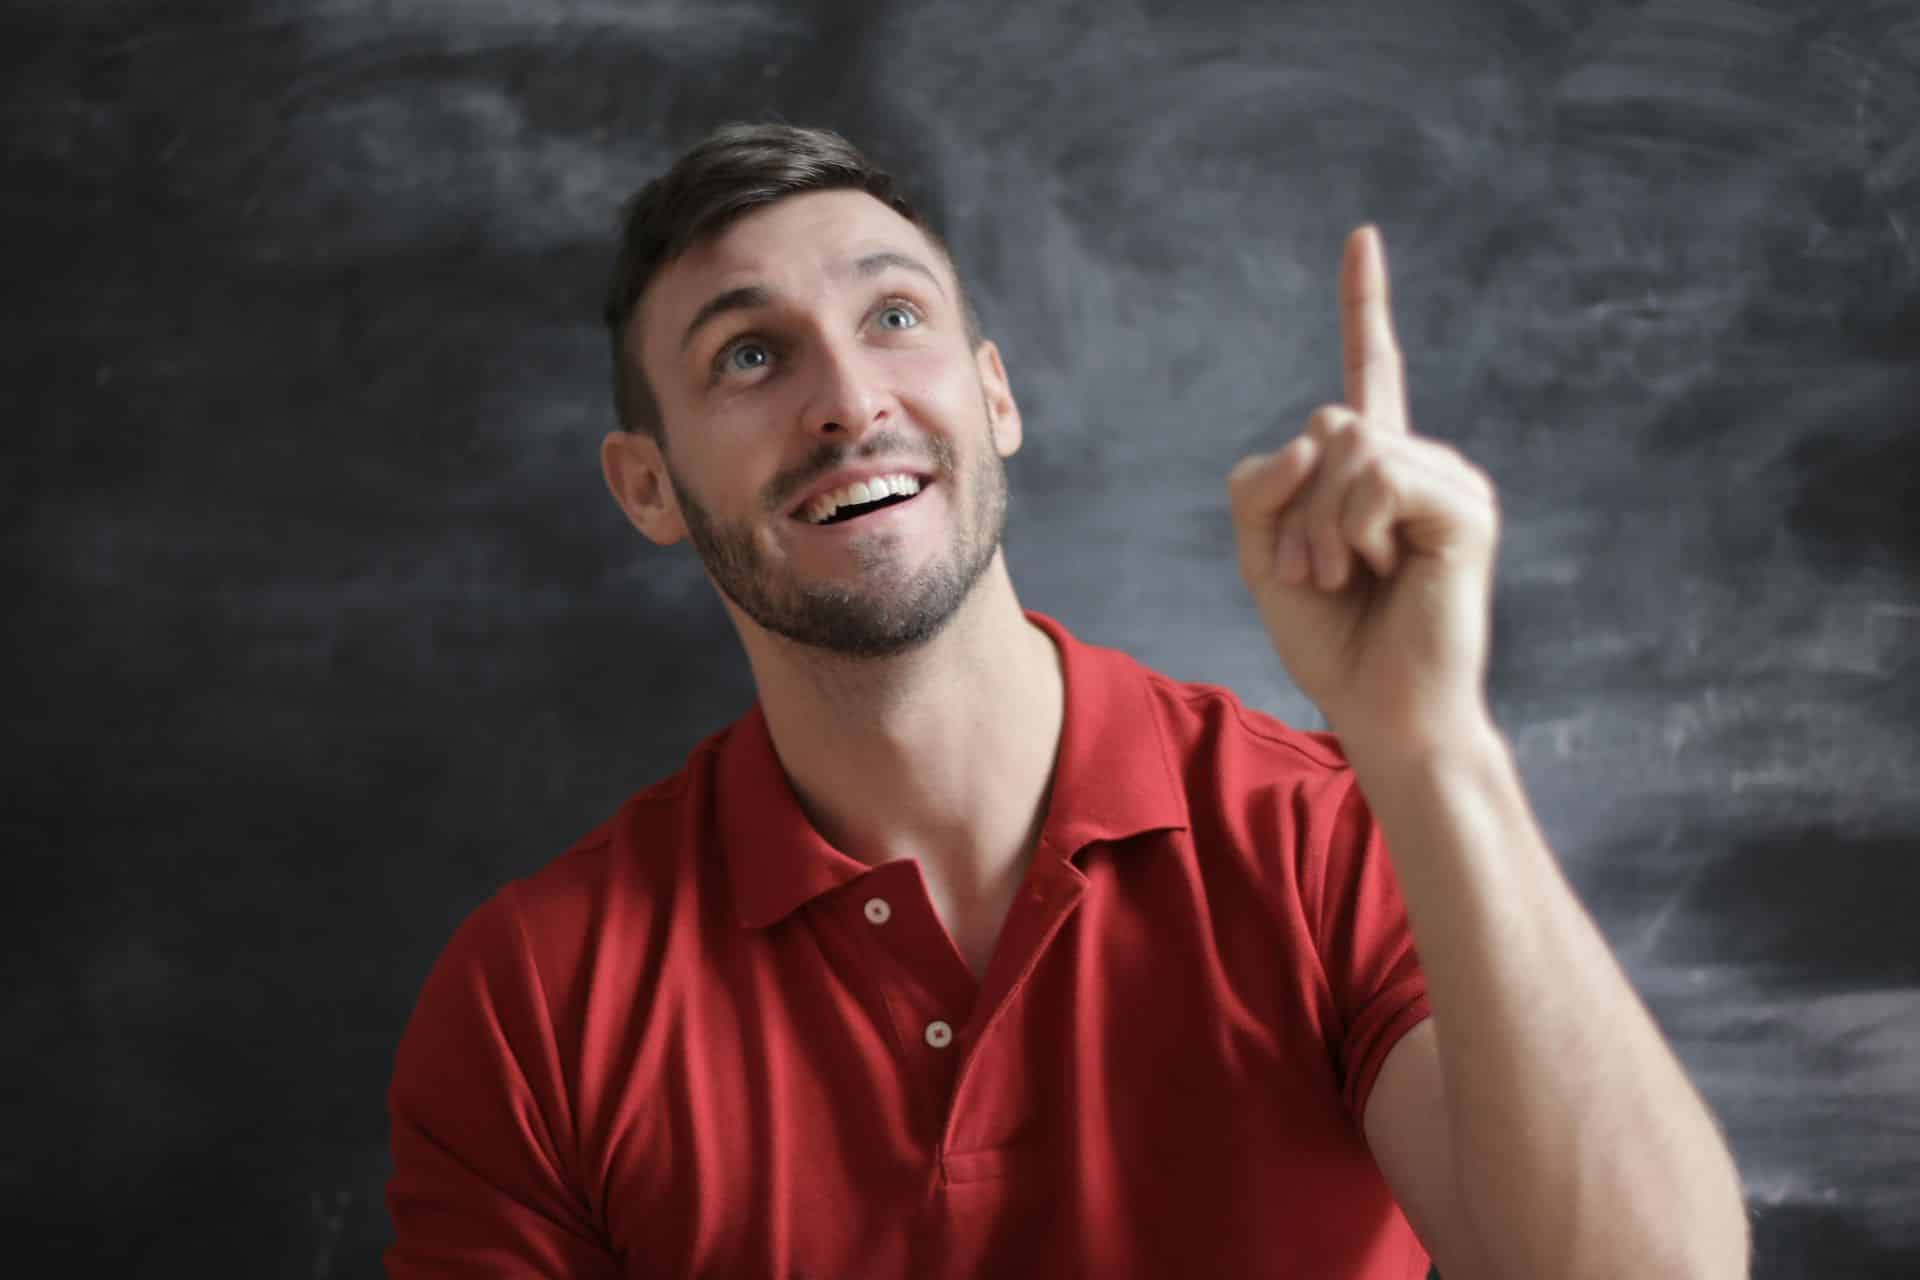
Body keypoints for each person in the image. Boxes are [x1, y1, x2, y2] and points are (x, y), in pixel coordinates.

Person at [385, 122, 1749, 1278]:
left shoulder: (1338, 837)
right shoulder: (533, 1002)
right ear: (647, 487)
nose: (848, 401)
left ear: (994, 396)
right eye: (749, 355)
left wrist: (1434, 742)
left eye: (893, 318)